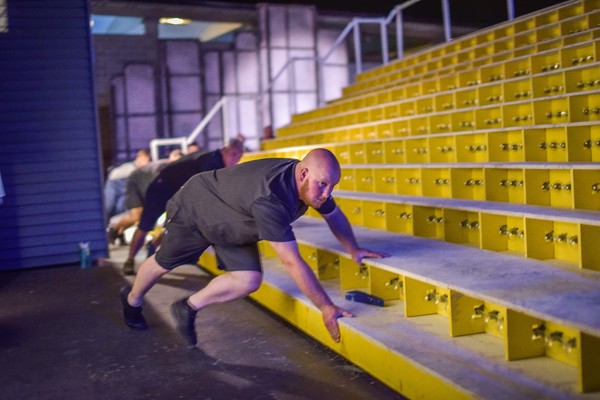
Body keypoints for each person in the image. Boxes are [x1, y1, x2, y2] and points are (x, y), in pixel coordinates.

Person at [120, 148, 387, 345]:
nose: (327, 193)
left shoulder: (310, 183)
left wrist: (354, 248)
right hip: (198, 206)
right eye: (323, 185)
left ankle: (186, 307)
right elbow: (292, 262)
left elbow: (334, 215)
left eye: (332, 186)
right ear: (304, 173)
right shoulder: (270, 198)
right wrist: (326, 307)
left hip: (235, 220)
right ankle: (132, 301)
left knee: (249, 280)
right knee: (163, 263)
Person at [122, 138, 245, 275]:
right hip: (162, 187)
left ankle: (153, 247)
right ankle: (130, 259)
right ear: (224, 150)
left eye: (239, 156)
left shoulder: (218, 162)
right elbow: (205, 189)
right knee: (145, 225)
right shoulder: (211, 161)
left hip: (179, 192)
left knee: (173, 226)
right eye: (233, 154)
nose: (235, 159)